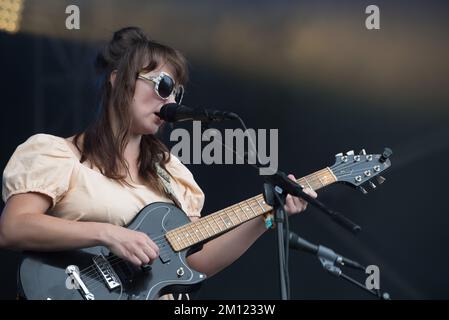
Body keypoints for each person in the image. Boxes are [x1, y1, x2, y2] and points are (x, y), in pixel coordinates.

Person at [0, 27, 317, 299]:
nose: (170, 101)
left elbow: (195, 262)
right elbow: (13, 228)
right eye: (163, 85)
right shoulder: (57, 154)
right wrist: (107, 233)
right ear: (118, 81)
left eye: (176, 93)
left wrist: (268, 216)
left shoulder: (172, 173)